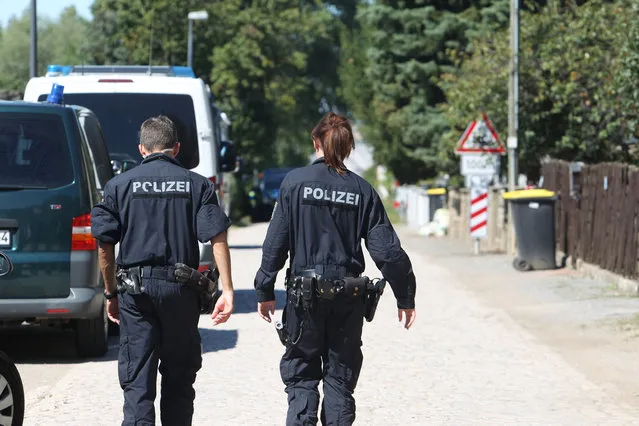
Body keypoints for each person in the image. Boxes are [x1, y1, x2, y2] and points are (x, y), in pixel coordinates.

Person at [254, 112, 417, 426]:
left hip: (304, 299)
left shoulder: (294, 183)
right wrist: (405, 295)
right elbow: (388, 252)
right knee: (339, 379)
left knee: (302, 377)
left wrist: (264, 288)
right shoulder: (362, 190)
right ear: (348, 148)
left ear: (315, 142)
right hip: (348, 298)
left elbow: (276, 242)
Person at [90, 115, 234, 426]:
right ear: (177, 148)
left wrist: (110, 291)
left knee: (137, 380)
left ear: (142, 149)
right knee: (179, 378)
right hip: (181, 292)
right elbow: (217, 235)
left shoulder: (118, 186)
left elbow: (105, 243)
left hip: (135, 293)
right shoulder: (197, 185)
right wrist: (228, 291)